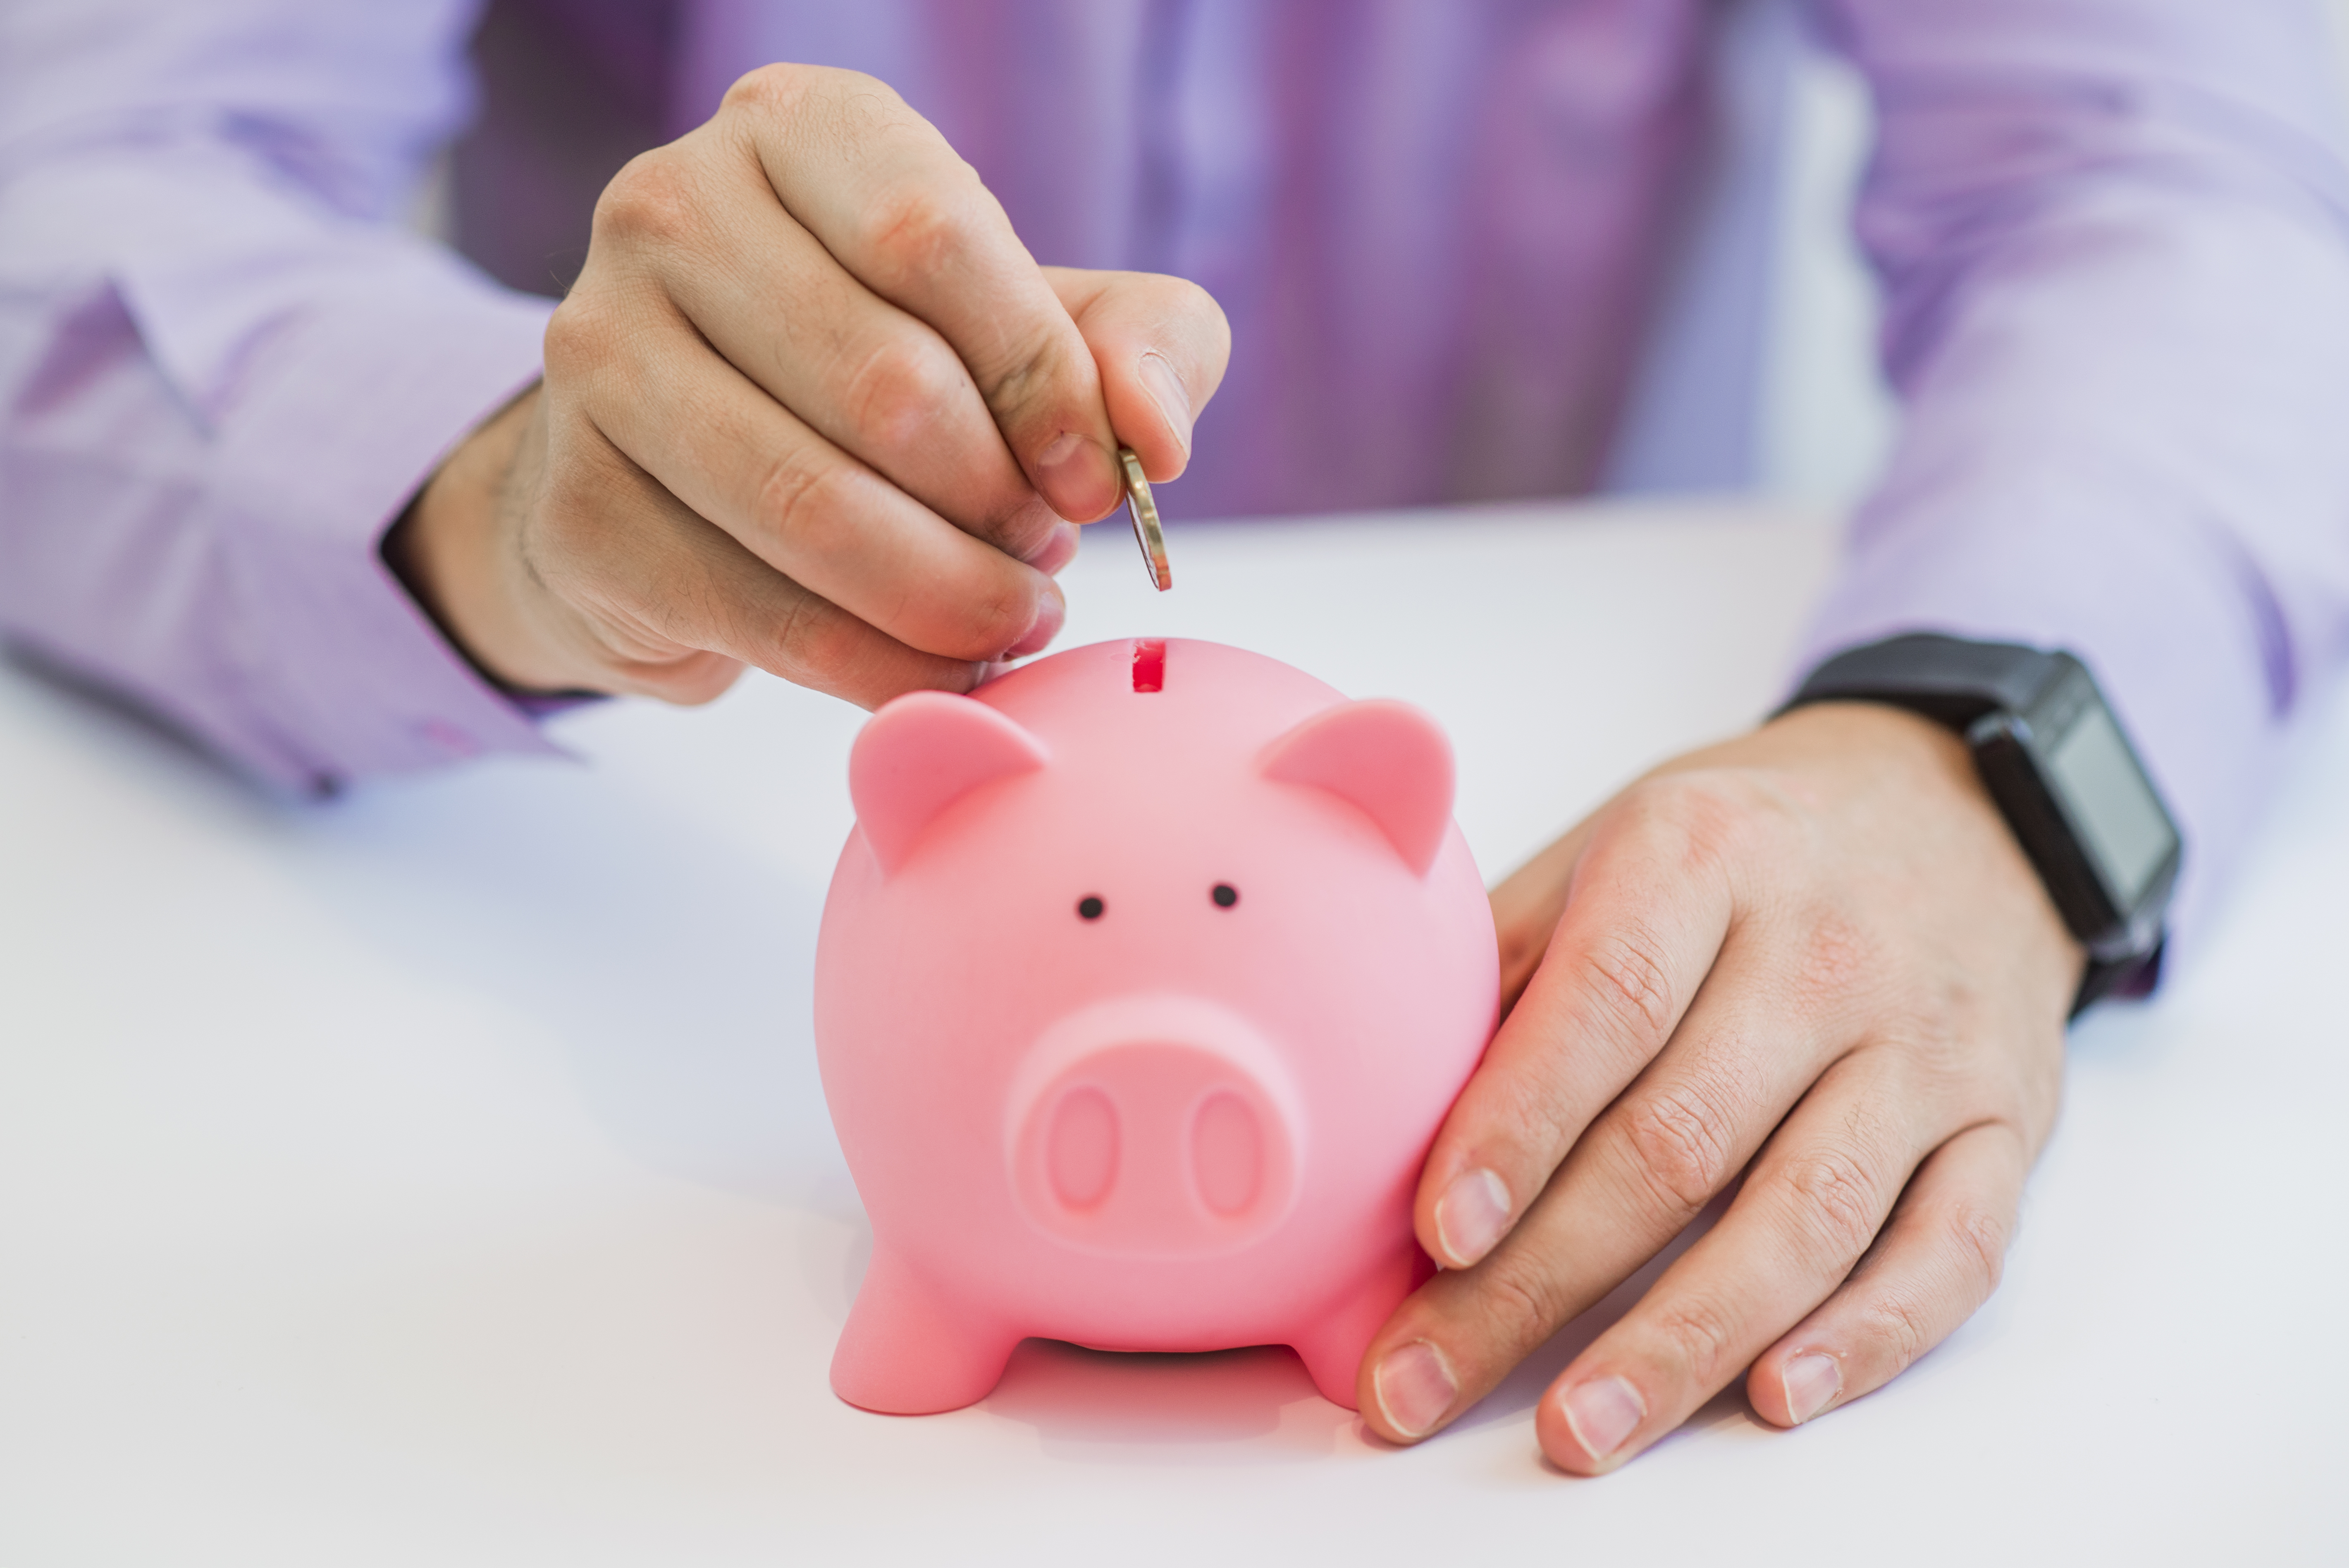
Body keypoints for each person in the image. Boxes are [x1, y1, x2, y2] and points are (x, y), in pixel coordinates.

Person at [4, 0, 2347, 1475]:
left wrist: (1987, 741)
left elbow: (2185, 174)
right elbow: (68, 193)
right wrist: (501, 483)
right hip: (708, 687)